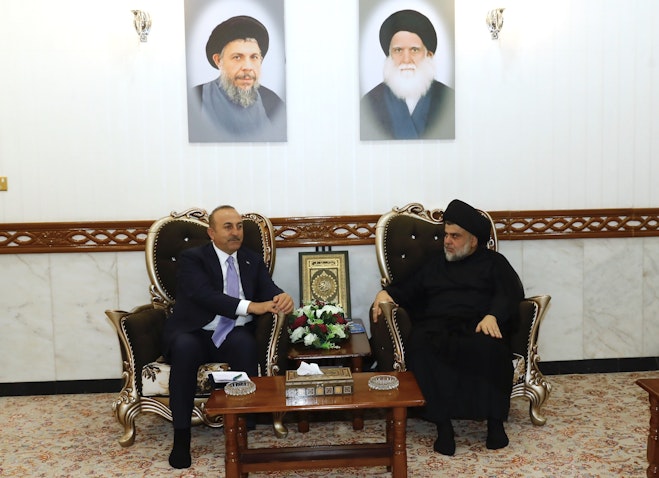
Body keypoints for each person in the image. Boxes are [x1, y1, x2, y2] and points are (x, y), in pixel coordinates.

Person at [371, 199, 524, 455]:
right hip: (436, 327)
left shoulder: (494, 263)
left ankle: (495, 424)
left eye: (455, 236)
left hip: (478, 325)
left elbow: (511, 293)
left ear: (473, 240)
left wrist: (493, 316)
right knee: (421, 348)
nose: (447, 241)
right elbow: (407, 288)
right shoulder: (434, 263)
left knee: (491, 348)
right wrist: (384, 295)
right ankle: (443, 427)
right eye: (446, 234)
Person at [162, 205, 294, 469]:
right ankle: (181, 437)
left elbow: (267, 289)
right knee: (184, 348)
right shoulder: (192, 258)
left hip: (233, 332)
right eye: (228, 227)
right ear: (211, 232)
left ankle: (241, 429)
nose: (236, 232)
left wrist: (282, 297)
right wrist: (251, 306)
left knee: (245, 343)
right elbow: (205, 296)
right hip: (195, 331)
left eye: (239, 226)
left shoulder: (251, 259)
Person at [188, 15, 287, 142]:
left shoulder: (274, 103)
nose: (247, 67)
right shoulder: (196, 98)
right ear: (218, 61)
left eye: (254, 57)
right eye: (237, 57)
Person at [361, 9, 455, 140]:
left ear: (429, 55)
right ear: (389, 56)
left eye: (414, 50)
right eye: (398, 50)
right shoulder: (370, 101)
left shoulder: (450, 99)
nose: (406, 59)